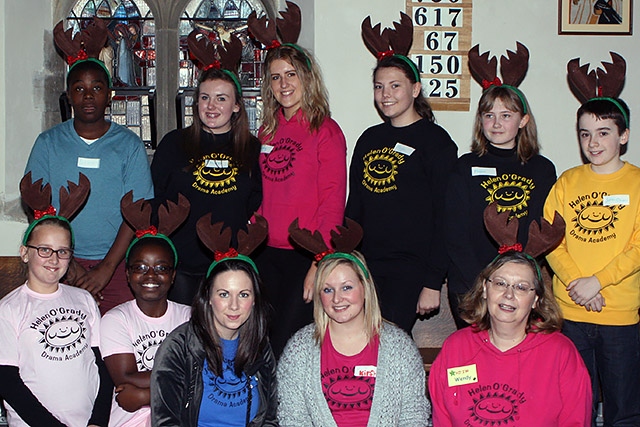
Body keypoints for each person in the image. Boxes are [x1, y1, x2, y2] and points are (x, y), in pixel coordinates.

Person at [26, 19, 154, 314]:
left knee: (115, 346)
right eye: (79, 88)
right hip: (55, 263)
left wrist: (105, 270)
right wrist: (66, 265)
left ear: (109, 96)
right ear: (69, 95)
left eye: (96, 88)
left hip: (117, 262)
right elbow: (38, 208)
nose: (87, 96)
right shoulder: (48, 143)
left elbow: (138, 212)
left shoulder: (129, 145)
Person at [430, 206, 591, 426]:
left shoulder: (561, 353)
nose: (509, 294)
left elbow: (576, 420)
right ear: (485, 290)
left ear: (536, 300)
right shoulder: (456, 348)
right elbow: (442, 418)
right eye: (500, 283)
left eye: (522, 287)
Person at [346, 13, 457, 333]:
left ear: (416, 88)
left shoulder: (436, 142)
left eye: (395, 86)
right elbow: (356, 206)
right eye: (379, 87)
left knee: (390, 344)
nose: (386, 94)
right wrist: (345, 259)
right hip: (366, 266)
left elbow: (444, 216)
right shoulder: (369, 138)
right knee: (360, 343)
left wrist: (432, 282)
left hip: (410, 268)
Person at [248, 2, 347, 357]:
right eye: (275, 77)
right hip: (264, 254)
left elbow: (333, 199)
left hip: (304, 254)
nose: (283, 83)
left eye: (291, 74)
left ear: (307, 78)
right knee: (261, 344)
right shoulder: (266, 130)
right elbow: (262, 193)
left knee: (291, 346)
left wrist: (319, 261)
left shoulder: (325, 130)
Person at [545, 56, 640, 426]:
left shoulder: (635, 183)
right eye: (585, 133)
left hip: (619, 315)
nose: (593, 142)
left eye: (603, 132)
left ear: (623, 135)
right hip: (570, 313)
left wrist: (597, 282)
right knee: (575, 405)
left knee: (624, 409)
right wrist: (575, 283)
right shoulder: (568, 181)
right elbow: (552, 240)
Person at [445, 43, 556, 329]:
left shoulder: (542, 170)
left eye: (506, 115)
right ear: (480, 120)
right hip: (471, 285)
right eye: (488, 115)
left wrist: (515, 282)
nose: (496, 123)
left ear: (523, 120)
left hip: (519, 289)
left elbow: (543, 230)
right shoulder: (465, 166)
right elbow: (454, 232)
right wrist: (483, 283)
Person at [151, 30, 261, 305]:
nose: (211, 106)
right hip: (181, 266)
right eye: (204, 97)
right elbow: (157, 200)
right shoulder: (174, 143)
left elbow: (254, 201)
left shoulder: (252, 148)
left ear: (237, 105)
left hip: (229, 266)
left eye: (221, 98)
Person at [277, 239, 431, 426]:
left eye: (347, 287)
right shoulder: (299, 349)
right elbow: (292, 418)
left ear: (365, 288)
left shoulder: (400, 347)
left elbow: (414, 417)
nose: (337, 298)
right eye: (327, 290)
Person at [0, 173, 112, 427]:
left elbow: (102, 365)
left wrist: (98, 420)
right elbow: (6, 379)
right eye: (44, 250)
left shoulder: (84, 299)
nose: (53, 259)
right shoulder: (8, 309)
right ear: (25, 253)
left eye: (62, 251)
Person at [150, 217, 277, 426]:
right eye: (224, 294)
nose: (234, 305)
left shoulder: (260, 346)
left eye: (244, 295)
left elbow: (269, 418)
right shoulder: (179, 347)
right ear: (208, 297)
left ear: (255, 300)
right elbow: (165, 421)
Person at [100, 195, 191, 427]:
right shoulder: (115, 320)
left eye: (161, 268)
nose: (150, 275)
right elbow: (125, 379)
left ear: (172, 276)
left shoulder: (191, 317)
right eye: (140, 267)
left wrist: (143, 395)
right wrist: (183, 377)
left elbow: (204, 379)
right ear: (128, 275)